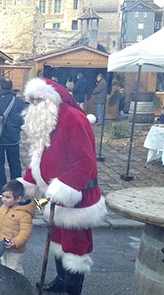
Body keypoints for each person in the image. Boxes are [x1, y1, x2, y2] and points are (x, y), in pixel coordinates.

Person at [20, 77, 107, 295]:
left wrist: (63, 190)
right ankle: (60, 280)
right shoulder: (46, 122)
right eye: (31, 101)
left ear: (51, 98)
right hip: (51, 197)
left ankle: (72, 290)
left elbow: (85, 161)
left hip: (76, 196)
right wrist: (27, 183)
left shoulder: (72, 119)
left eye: (38, 100)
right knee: (56, 237)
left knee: (75, 247)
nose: (34, 106)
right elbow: (39, 156)